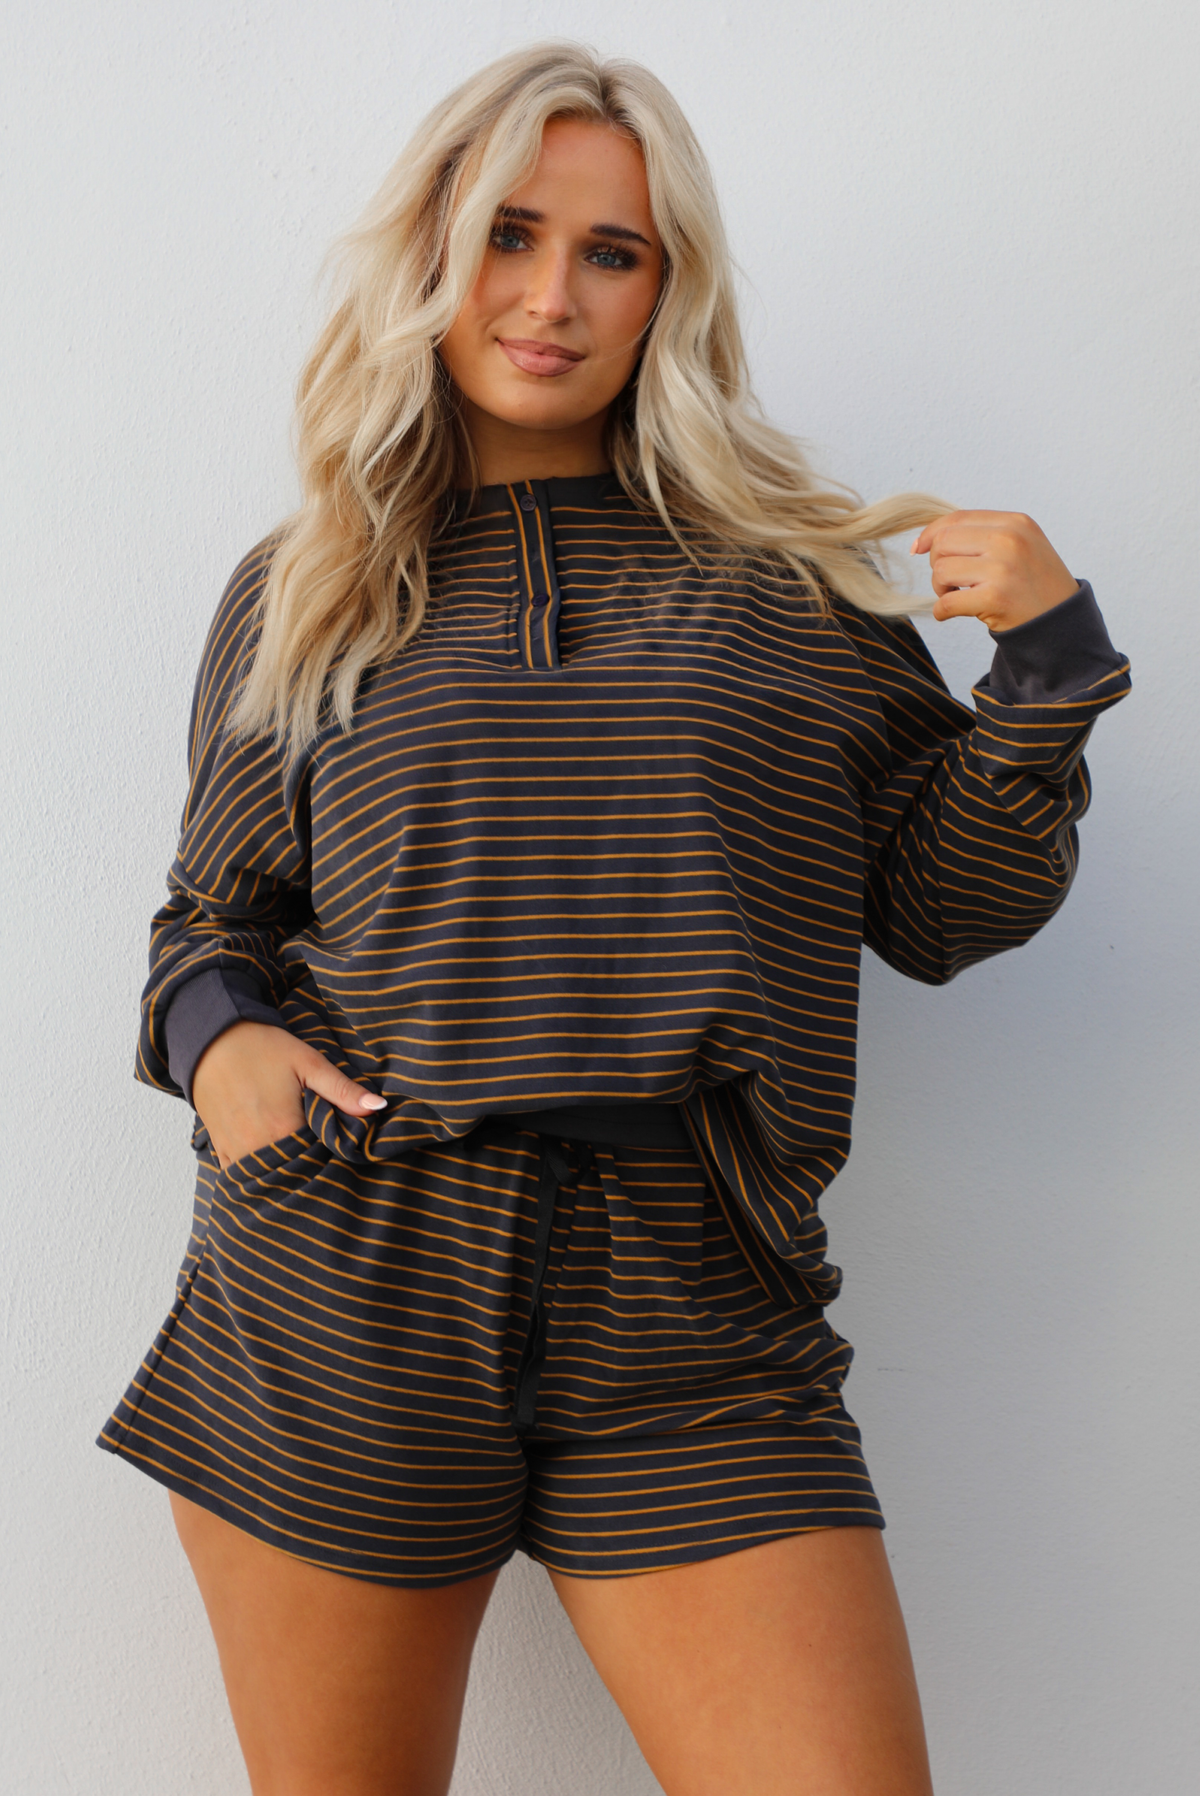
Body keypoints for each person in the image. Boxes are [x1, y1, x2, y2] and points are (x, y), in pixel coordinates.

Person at [98, 41, 1130, 1796]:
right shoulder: (313, 584)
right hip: (355, 1279)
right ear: (435, 249)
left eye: (612, 253)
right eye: (510, 233)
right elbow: (212, 912)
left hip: (696, 1303)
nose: (550, 298)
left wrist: (1048, 670)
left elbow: (938, 911)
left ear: (671, 292)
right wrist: (229, 1056)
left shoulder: (788, 584)